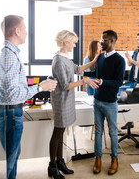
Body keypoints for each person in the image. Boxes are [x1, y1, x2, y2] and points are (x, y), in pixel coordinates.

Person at [0, 15, 57, 179]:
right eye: (25, 29)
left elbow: (5, 92)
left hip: (11, 114)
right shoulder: (9, 57)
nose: (27, 33)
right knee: (12, 158)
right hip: (12, 114)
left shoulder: (9, 55)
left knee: (14, 155)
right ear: (17, 30)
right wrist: (40, 87)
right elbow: (11, 95)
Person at [49, 30, 100, 179]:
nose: (75, 44)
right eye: (73, 42)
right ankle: (52, 166)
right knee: (57, 134)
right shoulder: (58, 60)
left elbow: (77, 69)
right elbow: (65, 85)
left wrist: (94, 61)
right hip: (61, 100)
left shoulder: (65, 58)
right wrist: (84, 81)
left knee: (61, 132)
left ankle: (60, 162)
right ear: (65, 43)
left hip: (67, 100)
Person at [84, 30, 125, 175]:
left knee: (113, 132)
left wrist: (102, 82)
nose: (101, 42)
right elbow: (96, 74)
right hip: (97, 100)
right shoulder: (100, 57)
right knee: (98, 132)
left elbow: (118, 82)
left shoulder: (120, 60)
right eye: (101, 39)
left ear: (112, 42)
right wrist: (82, 73)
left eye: (104, 40)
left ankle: (114, 159)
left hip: (110, 102)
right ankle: (98, 159)